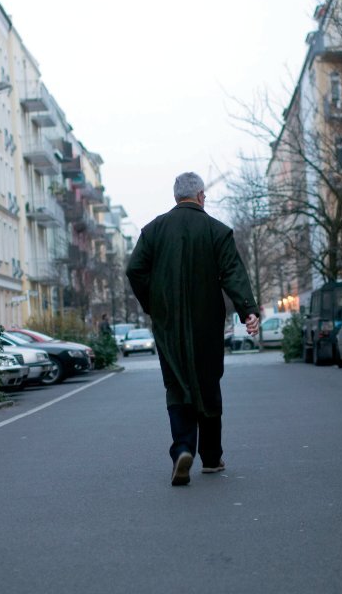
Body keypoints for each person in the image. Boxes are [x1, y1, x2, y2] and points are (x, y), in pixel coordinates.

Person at [126, 172, 259, 486]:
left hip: (168, 324)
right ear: (201, 196)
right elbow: (232, 274)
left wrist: (154, 303)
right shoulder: (217, 231)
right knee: (207, 383)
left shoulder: (154, 230)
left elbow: (135, 270)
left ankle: (183, 448)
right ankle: (211, 458)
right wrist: (247, 311)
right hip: (207, 323)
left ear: (176, 197)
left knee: (177, 384)